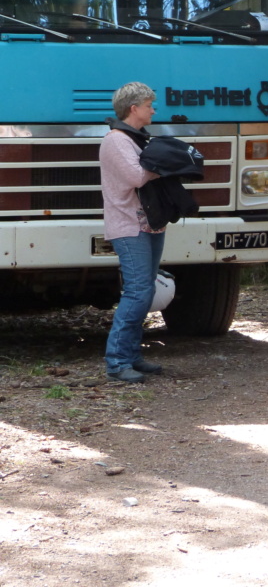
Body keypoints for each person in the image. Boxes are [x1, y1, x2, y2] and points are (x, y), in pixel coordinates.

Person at [99, 82, 164, 383]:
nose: (153, 109)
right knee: (138, 292)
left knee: (146, 291)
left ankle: (132, 356)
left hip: (149, 223)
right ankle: (117, 361)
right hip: (129, 225)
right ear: (133, 108)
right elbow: (137, 176)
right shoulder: (116, 141)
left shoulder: (136, 138)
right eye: (149, 104)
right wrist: (166, 164)